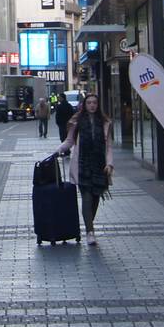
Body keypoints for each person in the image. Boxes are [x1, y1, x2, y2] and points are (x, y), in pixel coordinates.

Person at [56, 93, 114, 245]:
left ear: (98, 105)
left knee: (95, 199)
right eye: (89, 103)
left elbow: (108, 147)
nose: (92, 105)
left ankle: (89, 225)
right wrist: (57, 151)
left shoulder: (105, 123)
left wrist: (109, 163)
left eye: (94, 102)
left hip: (99, 166)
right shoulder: (77, 122)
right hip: (82, 165)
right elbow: (69, 141)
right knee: (87, 198)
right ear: (84, 105)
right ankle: (90, 232)